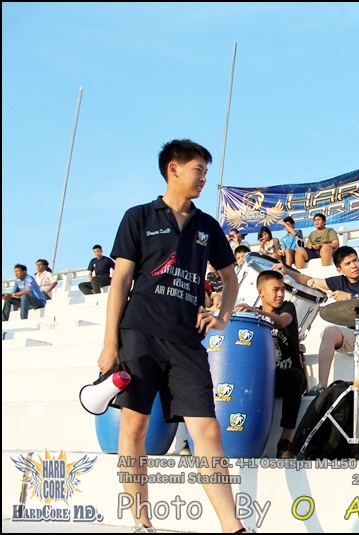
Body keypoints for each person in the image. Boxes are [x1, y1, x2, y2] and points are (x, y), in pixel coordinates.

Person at [96, 139, 246, 533]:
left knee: (208, 430)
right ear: (173, 169)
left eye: (206, 172)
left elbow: (230, 278)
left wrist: (222, 317)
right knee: (134, 429)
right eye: (198, 170)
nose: (203, 178)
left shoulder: (207, 225)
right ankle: (141, 522)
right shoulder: (139, 216)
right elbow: (121, 280)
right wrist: (110, 342)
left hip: (186, 341)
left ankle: (232, 526)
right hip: (139, 334)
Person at [273, 246, 359, 395]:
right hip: (352, 335)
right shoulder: (339, 282)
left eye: (355, 260)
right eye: (348, 264)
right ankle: (321, 386)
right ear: (339, 269)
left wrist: (350, 298)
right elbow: (310, 281)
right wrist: (287, 271)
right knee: (330, 332)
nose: (354, 265)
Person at [233, 270, 306, 459]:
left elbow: (281, 322)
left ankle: (285, 440)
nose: (280, 294)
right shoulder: (250, 317)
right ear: (261, 292)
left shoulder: (288, 307)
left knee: (295, 377)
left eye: (282, 289)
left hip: (284, 377)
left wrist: (256, 312)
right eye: (275, 290)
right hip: (261, 377)